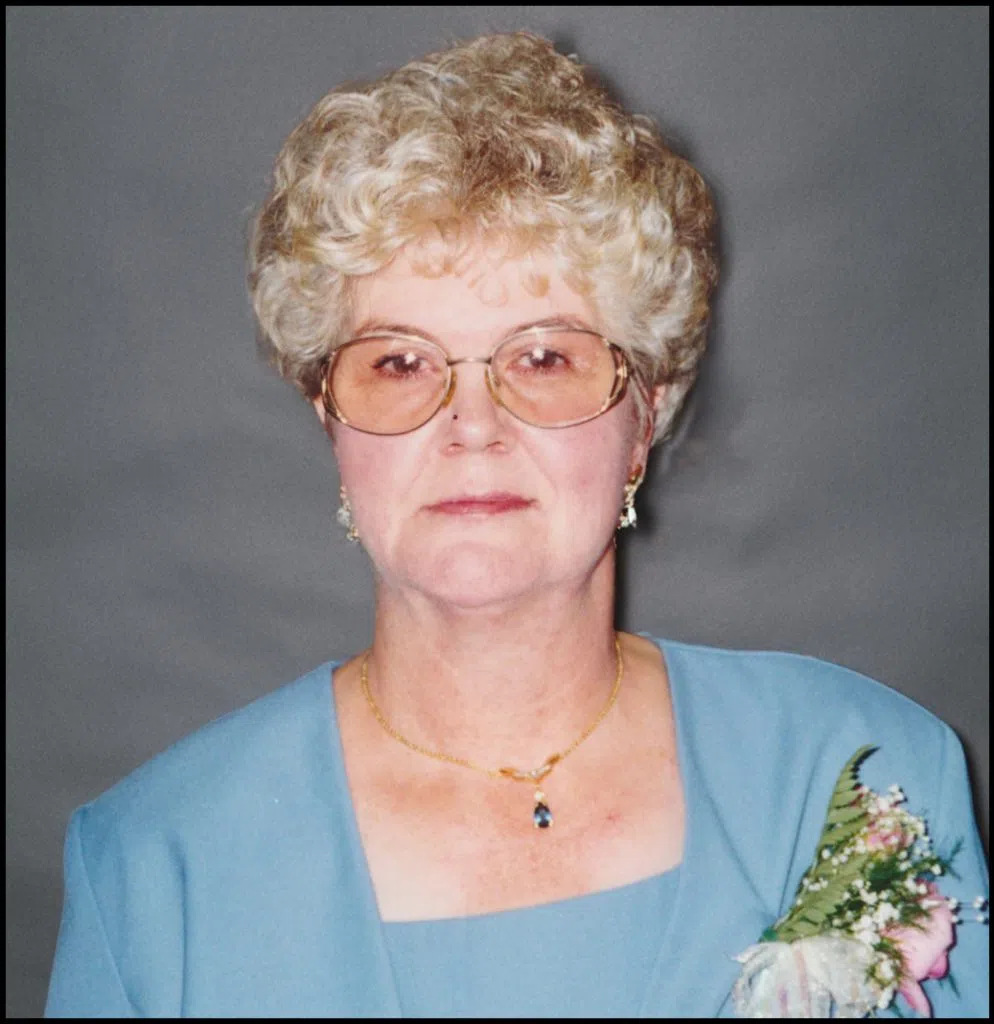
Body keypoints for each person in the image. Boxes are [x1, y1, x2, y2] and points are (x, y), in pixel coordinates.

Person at [45, 31, 987, 1018]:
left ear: (643, 417)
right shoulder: (156, 870)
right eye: (399, 362)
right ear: (332, 421)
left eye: (543, 358)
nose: (472, 426)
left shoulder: (860, 779)